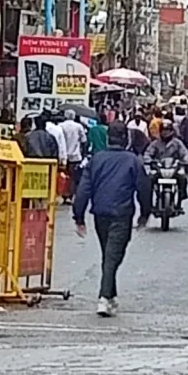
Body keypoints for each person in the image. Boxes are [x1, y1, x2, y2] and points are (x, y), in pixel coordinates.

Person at [72, 122, 151, 317]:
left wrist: (79, 215)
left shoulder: (96, 159)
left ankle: (111, 295)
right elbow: (144, 188)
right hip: (122, 214)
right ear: (126, 138)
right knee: (113, 255)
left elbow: (83, 189)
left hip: (100, 213)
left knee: (109, 255)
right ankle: (104, 297)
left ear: (108, 138)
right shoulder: (133, 160)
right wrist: (145, 212)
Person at [143, 119, 188, 210]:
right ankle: (149, 203)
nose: (166, 133)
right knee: (149, 181)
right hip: (159, 168)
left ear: (172, 131)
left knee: (183, 178)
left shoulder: (177, 143)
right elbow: (148, 153)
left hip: (174, 168)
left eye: (168, 131)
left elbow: (185, 153)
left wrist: (185, 161)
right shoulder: (155, 143)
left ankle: (181, 197)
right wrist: (149, 160)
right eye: (164, 131)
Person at [59, 109, 88, 196]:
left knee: (63, 175)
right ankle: (71, 195)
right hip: (75, 156)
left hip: (63, 156)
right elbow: (84, 141)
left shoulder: (60, 126)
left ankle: (63, 193)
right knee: (73, 177)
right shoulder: (79, 126)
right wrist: (84, 154)